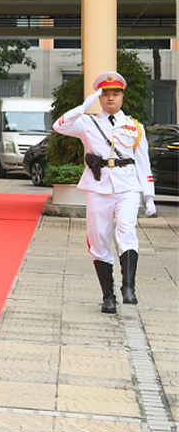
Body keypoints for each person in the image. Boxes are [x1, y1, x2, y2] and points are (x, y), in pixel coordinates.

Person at [52, 71, 154, 313]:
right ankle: (108, 295)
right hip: (98, 187)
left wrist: (149, 195)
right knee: (99, 238)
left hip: (128, 186)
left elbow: (143, 162)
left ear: (122, 96)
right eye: (105, 94)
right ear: (99, 97)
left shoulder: (134, 126)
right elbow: (59, 126)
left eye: (115, 93)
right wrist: (83, 106)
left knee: (127, 229)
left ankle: (128, 287)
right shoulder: (87, 122)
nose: (110, 98)